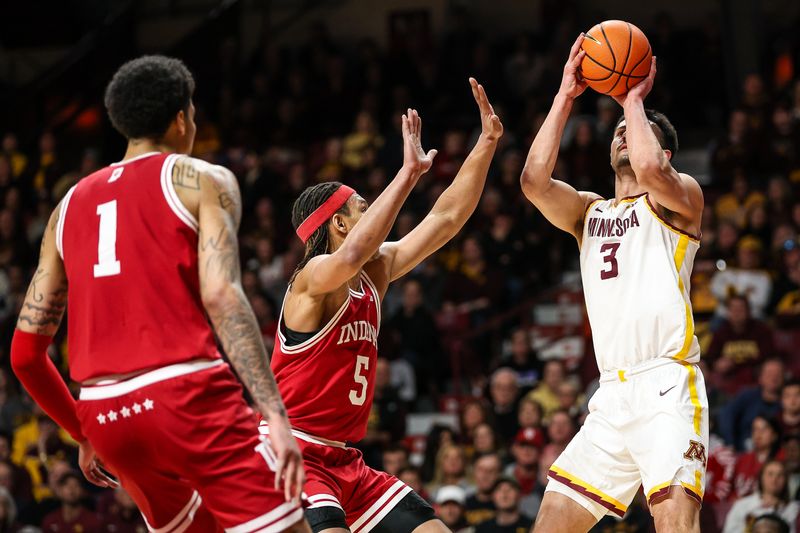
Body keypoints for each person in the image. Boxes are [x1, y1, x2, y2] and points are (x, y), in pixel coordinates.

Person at [10, 56, 309, 533]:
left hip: (105, 413)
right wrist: (273, 411)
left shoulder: (65, 208)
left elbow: (25, 355)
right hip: (185, 395)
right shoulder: (203, 179)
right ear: (181, 118)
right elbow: (222, 296)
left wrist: (83, 432)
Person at [261, 79, 503, 533]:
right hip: (295, 451)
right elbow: (350, 254)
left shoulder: (376, 271)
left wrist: (486, 143)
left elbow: (446, 220)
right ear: (339, 223)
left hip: (348, 460)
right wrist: (408, 174)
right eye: (363, 208)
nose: (375, 217)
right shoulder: (310, 281)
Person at [520, 35, 707, 532]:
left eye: (633, 129)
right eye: (618, 130)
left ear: (664, 150)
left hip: (666, 383)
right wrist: (565, 95)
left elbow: (649, 168)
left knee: (674, 526)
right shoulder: (588, 210)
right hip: (611, 394)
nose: (622, 134)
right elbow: (534, 182)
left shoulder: (679, 198)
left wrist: (632, 98)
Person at [723, 460, 799, 533]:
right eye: (770, 474)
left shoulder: (793, 508)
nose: (774, 479)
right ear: (761, 477)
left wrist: (779, 509)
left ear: (786, 480)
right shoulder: (742, 505)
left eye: (780, 475)